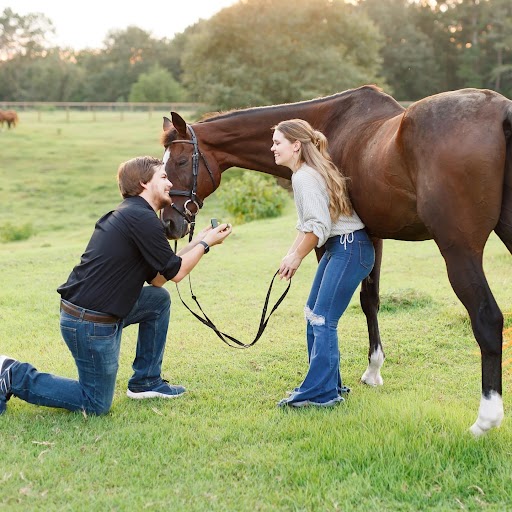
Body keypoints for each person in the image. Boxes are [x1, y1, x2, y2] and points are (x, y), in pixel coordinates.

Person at [0, 156, 232, 416]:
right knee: (95, 403)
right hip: (90, 323)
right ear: (144, 183)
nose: (170, 183)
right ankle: (12, 373)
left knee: (157, 300)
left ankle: (146, 381)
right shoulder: (140, 218)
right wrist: (206, 244)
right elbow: (177, 272)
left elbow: (159, 278)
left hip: (94, 313)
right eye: (164, 177)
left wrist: (197, 241)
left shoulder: (135, 215)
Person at [272, 119, 375, 407]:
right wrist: (290, 255)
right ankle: (327, 385)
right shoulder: (304, 173)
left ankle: (322, 394)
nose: (273, 148)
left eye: (278, 142)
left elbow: (318, 227)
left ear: (296, 145)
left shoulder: (304, 177)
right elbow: (307, 226)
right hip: (341, 248)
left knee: (323, 319)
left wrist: (297, 257)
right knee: (313, 314)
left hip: (349, 248)